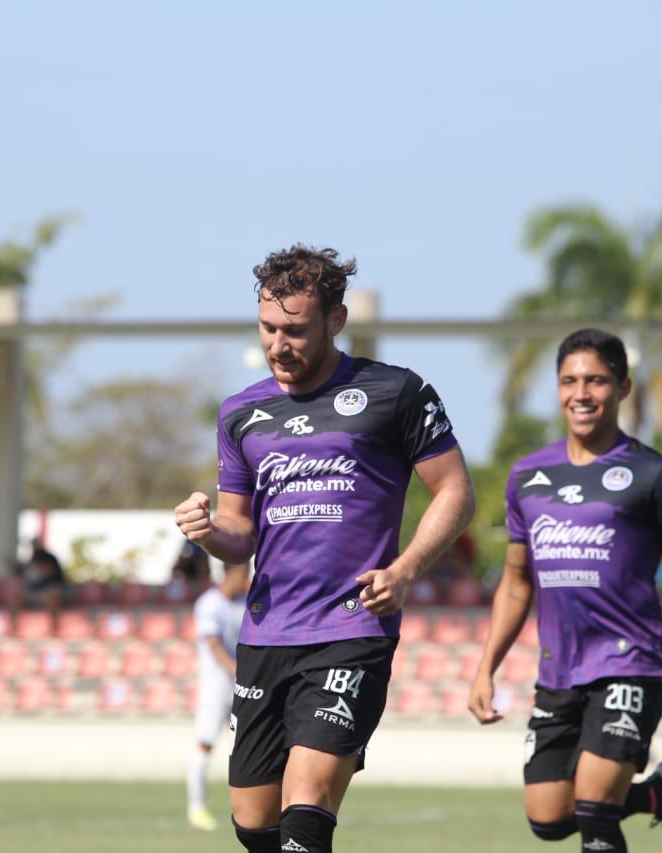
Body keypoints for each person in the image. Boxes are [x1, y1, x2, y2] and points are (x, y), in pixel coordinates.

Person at [174, 245, 475, 853]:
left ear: (336, 321)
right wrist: (209, 533)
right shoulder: (240, 414)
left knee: (307, 801)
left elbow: (456, 492)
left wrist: (406, 567)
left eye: (295, 330)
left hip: (352, 629)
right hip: (265, 634)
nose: (278, 345)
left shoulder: (395, 393)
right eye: (267, 329)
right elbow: (241, 535)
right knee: (255, 823)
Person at [468, 328, 662, 853]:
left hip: (629, 662)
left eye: (596, 380)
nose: (582, 393)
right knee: (549, 818)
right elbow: (516, 581)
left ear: (622, 387)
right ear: (557, 389)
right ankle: (656, 798)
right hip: (558, 670)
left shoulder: (655, 475)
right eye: (569, 380)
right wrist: (487, 666)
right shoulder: (527, 476)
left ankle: (631, 802)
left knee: (595, 810)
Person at [187, 560, 251, 831]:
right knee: (205, 744)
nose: (246, 578)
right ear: (228, 573)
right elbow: (212, 644)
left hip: (244, 688)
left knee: (246, 748)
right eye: (243, 573)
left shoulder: (246, 602)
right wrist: (239, 670)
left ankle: (246, 808)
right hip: (216, 687)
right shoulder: (209, 604)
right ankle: (196, 808)